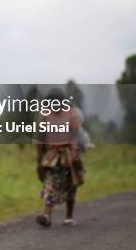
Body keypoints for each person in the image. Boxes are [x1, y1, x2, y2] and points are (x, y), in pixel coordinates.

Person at [35, 89, 84, 228]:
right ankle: (46, 215)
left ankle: (69, 216)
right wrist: (39, 160)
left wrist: (74, 151)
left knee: (71, 185)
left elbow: (75, 135)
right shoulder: (44, 114)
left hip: (69, 155)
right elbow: (40, 138)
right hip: (52, 156)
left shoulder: (71, 114)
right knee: (52, 183)